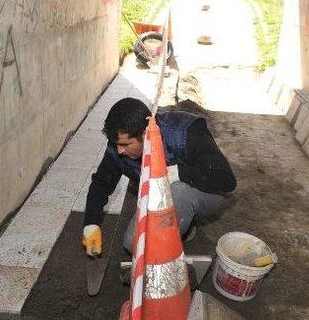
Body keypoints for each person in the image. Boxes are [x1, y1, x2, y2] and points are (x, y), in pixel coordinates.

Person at [82, 97, 236, 255]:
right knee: (133, 244)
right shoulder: (119, 145)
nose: (120, 150)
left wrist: (176, 173)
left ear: (145, 134)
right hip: (162, 195)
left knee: (177, 192)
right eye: (117, 144)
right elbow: (101, 183)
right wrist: (90, 223)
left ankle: (169, 254)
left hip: (207, 191)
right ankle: (183, 224)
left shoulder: (185, 132)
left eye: (125, 145)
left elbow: (227, 180)